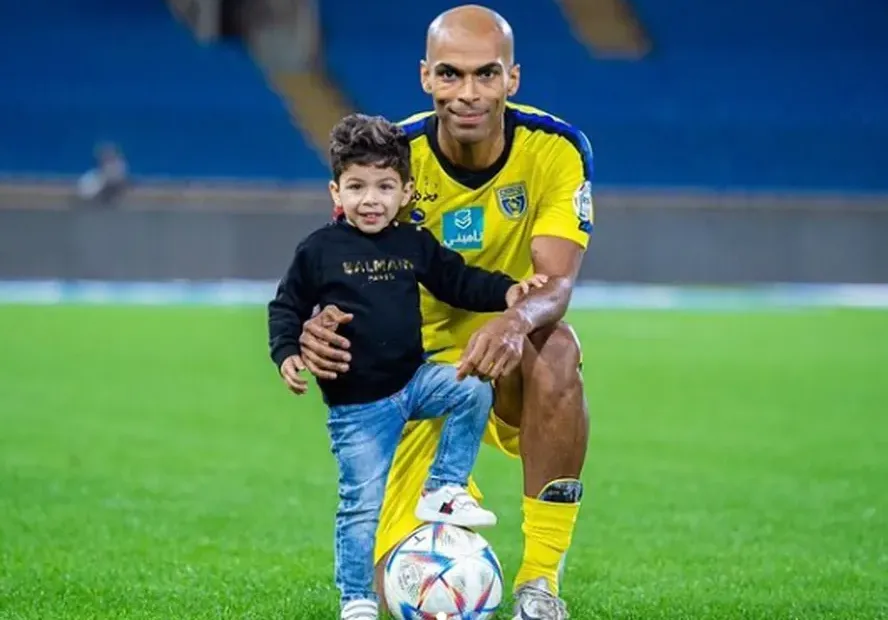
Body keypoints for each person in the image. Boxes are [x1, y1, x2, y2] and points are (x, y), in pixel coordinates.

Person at [304, 6, 594, 618]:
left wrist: (515, 321)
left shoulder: (555, 149)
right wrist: (316, 324)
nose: (468, 93)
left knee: (558, 346)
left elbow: (555, 283)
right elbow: (338, 272)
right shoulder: (393, 157)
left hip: (506, 359)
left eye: (486, 75)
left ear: (512, 79)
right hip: (408, 379)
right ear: (425, 78)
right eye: (450, 74)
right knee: (399, 589)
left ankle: (539, 584)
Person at [268, 113, 547, 620]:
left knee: (471, 388)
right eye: (356, 186)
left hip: (414, 381)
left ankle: (444, 489)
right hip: (359, 408)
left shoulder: (411, 244)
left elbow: (456, 280)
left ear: (406, 192)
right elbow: (286, 306)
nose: (370, 199)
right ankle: (355, 598)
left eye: (384, 186)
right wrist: (287, 352)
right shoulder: (319, 250)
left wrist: (508, 290)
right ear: (336, 192)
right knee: (361, 507)